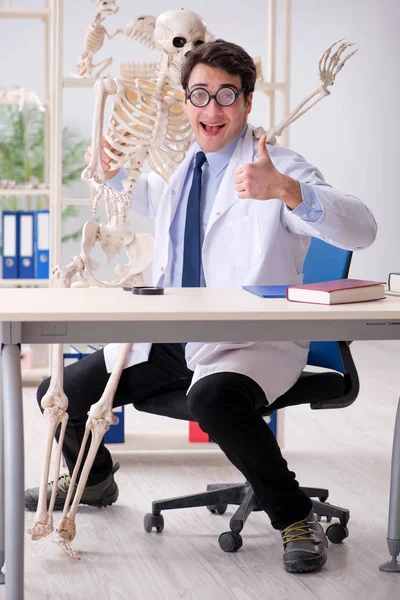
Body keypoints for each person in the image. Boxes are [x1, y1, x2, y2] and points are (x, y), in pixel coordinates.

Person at [25, 40, 377, 573]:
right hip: (173, 333)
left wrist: (287, 192)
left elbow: (362, 228)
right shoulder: (187, 164)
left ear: (247, 102)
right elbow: (152, 201)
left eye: (226, 95)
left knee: (213, 400)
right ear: (185, 102)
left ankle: (295, 516)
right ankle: (93, 480)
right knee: (64, 394)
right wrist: (112, 170)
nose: (212, 109)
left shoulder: (276, 163)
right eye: (200, 95)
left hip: (248, 340)